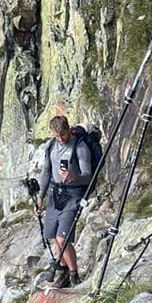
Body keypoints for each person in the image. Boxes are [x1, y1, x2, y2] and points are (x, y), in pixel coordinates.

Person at [37, 114, 93, 288]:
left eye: (63, 135)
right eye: (57, 136)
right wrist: (40, 196)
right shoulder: (51, 146)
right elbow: (46, 172)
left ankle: (74, 274)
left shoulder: (80, 147)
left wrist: (73, 176)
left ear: (69, 130)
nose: (60, 139)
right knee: (54, 236)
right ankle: (63, 272)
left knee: (63, 239)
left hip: (73, 194)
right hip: (55, 194)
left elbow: (88, 177)